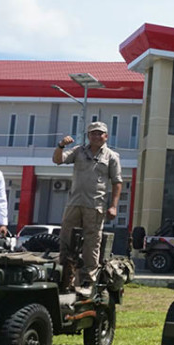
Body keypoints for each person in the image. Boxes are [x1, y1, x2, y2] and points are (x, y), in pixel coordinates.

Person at [53, 121, 123, 293]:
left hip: (95, 205)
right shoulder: (78, 151)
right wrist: (61, 145)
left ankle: (87, 280)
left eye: (100, 133)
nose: (96, 136)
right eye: (93, 133)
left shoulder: (112, 156)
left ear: (106, 136)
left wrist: (113, 206)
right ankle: (63, 274)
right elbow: (57, 160)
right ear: (88, 136)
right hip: (74, 203)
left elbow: (117, 183)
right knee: (66, 238)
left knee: (92, 242)